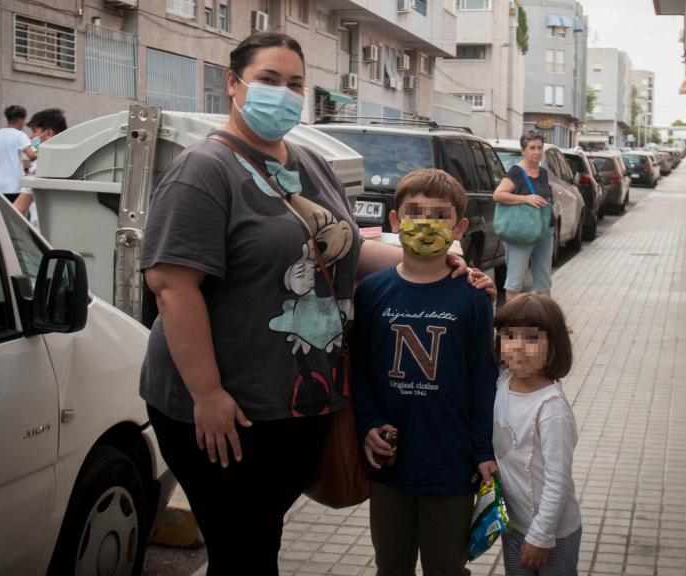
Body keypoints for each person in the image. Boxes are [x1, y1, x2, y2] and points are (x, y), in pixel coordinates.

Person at [138, 33, 494, 576]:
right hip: (227, 412)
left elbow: (345, 250)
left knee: (260, 540)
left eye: (295, 84)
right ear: (233, 85)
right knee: (243, 550)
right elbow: (171, 285)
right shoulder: (204, 170)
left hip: (300, 405)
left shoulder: (307, 161)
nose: (284, 94)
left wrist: (439, 266)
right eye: (268, 80)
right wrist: (206, 394)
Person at [352, 168, 499, 576]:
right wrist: (367, 424)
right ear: (394, 221)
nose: (426, 222)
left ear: (459, 227)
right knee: (391, 565)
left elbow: (483, 378)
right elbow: (360, 369)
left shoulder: (473, 297)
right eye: (415, 212)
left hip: (450, 465)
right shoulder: (371, 292)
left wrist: (483, 450)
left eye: (439, 215)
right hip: (388, 464)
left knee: (446, 567)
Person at [492, 293, 581, 576]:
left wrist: (542, 536)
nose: (517, 347)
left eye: (531, 338)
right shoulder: (503, 382)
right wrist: (485, 293)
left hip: (554, 532)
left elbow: (558, 479)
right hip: (515, 523)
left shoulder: (551, 408)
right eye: (509, 336)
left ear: (553, 347)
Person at [492, 131, 554, 301]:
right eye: (532, 148)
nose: (537, 152)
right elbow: (498, 195)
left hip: (544, 229)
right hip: (522, 231)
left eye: (540, 148)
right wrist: (526, 198)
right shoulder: (516, 173)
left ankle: (546, 320)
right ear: (523, 151)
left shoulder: (542, 172)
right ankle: (512, 322)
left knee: (544, 280)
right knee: (515, 280)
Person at [14, 108, 67, 228]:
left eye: (34, 130)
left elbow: (19, 208)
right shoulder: (73, 160)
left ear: (48, 133)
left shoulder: (41, 165)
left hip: (42, 233)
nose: (31, 136)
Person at [0, 105, 37, 202]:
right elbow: (32, 156)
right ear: (20, 119)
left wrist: (0, 160)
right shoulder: (20, 135)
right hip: (14, 187)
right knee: (16, 215)